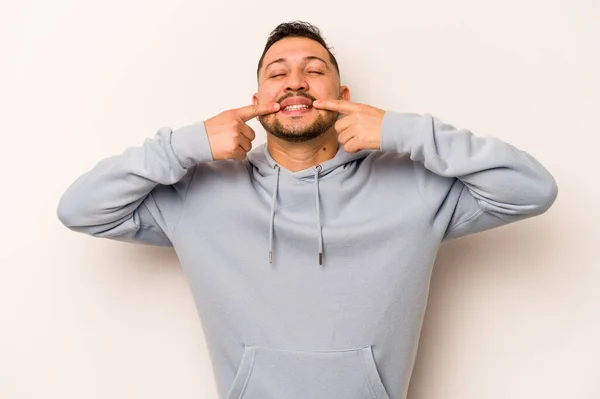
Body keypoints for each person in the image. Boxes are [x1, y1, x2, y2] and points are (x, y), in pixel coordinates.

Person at [57, 20, 558, 399]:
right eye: (279, 73)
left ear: (343, 98)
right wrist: (186, 144)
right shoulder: (198, 192)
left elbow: (532, 189)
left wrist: (402, 131)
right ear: (257, 101)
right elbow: (81, 209)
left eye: (313, 71)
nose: (295, 82)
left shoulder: (416, 187)